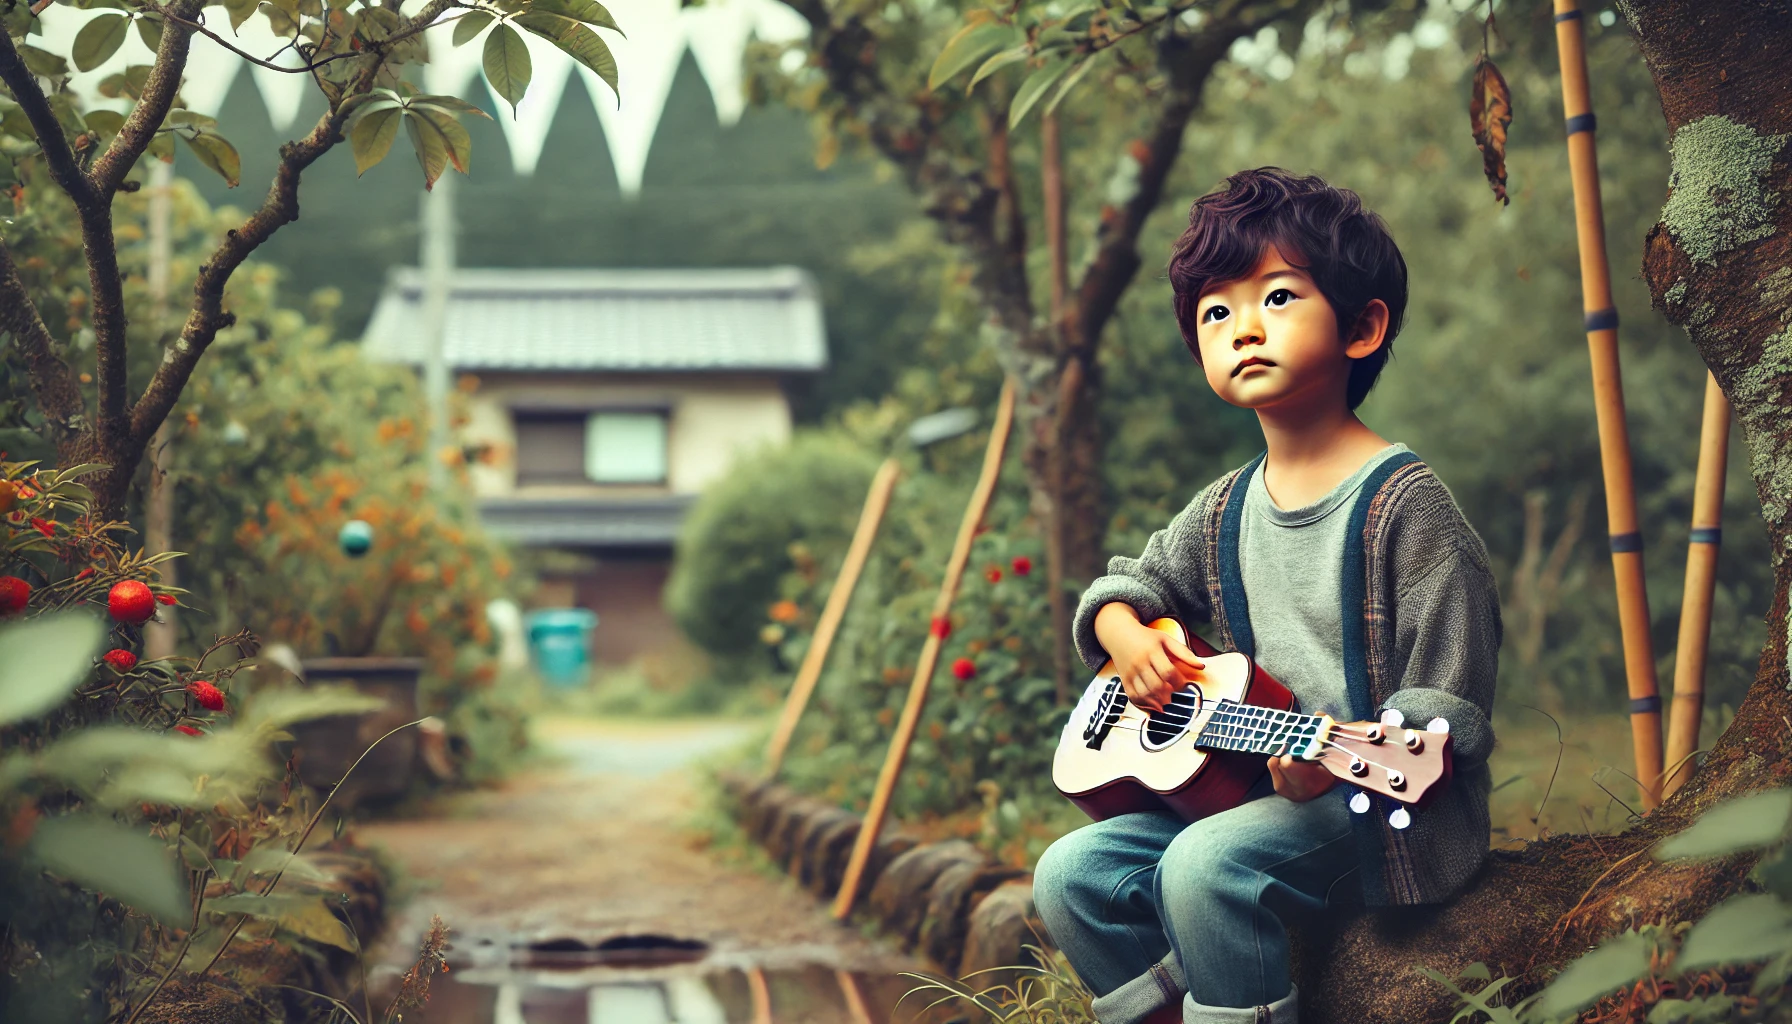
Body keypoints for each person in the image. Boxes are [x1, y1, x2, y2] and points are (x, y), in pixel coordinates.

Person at [1032, 167, 1502, 1024]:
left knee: (1204, 866)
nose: (1243, 326)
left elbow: (1444, 712)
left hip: (1380, 806)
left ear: (1362, 327)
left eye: (1277, 297)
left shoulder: (1409, 508)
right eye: (1217, 313)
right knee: (1072, 875)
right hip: (1252, 790)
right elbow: (1127, 586)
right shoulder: (1224, 506)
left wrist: (1331, 765)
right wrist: (1125, 634)